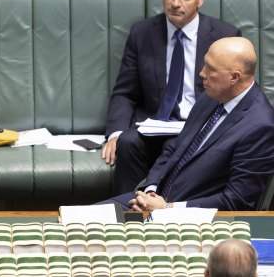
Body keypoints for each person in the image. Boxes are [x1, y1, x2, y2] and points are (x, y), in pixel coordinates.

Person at [104, 0, 240, 194]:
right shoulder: (142, 33)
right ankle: (128, 217)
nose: (175, 3)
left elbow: (236, 94)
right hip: (154, 126)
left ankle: (167, 219)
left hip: (199, 128)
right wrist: (115, 134)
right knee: (127, 142)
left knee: (176, 147)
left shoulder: (224, 36)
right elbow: (125, 93)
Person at [104, 37, 274, 212]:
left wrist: (167, 208)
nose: (202, 73)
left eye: (211, 69)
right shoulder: (211, 96)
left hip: (190, 220)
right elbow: (174, 148)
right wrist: (151, 190)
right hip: (153, 202)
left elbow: (236, 201)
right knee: (79, 219)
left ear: (234, 77)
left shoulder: (260, 127)